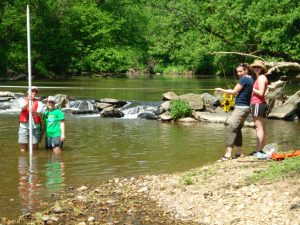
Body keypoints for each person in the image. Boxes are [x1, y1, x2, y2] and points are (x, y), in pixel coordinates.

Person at [215, 63, 254, 160]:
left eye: (241, 71)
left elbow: (234, 92)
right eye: (237, 72)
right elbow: (240, 91)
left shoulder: (244, 79)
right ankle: (239, 153)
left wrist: (221, 90)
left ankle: (228, 155)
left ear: (246, 70)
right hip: (246, 108)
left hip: (241, 108)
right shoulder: (250, 78)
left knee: (231, 128)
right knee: (237, 129)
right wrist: (230, 90)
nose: (239, 73)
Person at [249, 60, 268, 156]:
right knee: (263, 128)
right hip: (261, 104)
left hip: (258, 104)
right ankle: (263, 150)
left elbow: (261, 92)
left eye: (258, 67)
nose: (256, 68)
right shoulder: (261, 77)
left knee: (259, 128)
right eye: (255, 67)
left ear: (262, 68)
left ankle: (258, 151)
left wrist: (251, 88)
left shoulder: (261, 78)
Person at [18, 86, 43, 152]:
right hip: (24, 127)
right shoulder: (22, 100)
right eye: (32, 90)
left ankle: (34, 160)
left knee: (35, 146)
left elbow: (39, 113)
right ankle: (23, 160)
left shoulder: (39, 103)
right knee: (23, 146)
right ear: (28, 91)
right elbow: (22, 107)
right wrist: (28, 101)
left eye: (35, 91)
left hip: (35, 127)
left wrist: (34, 112)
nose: (33, 92)